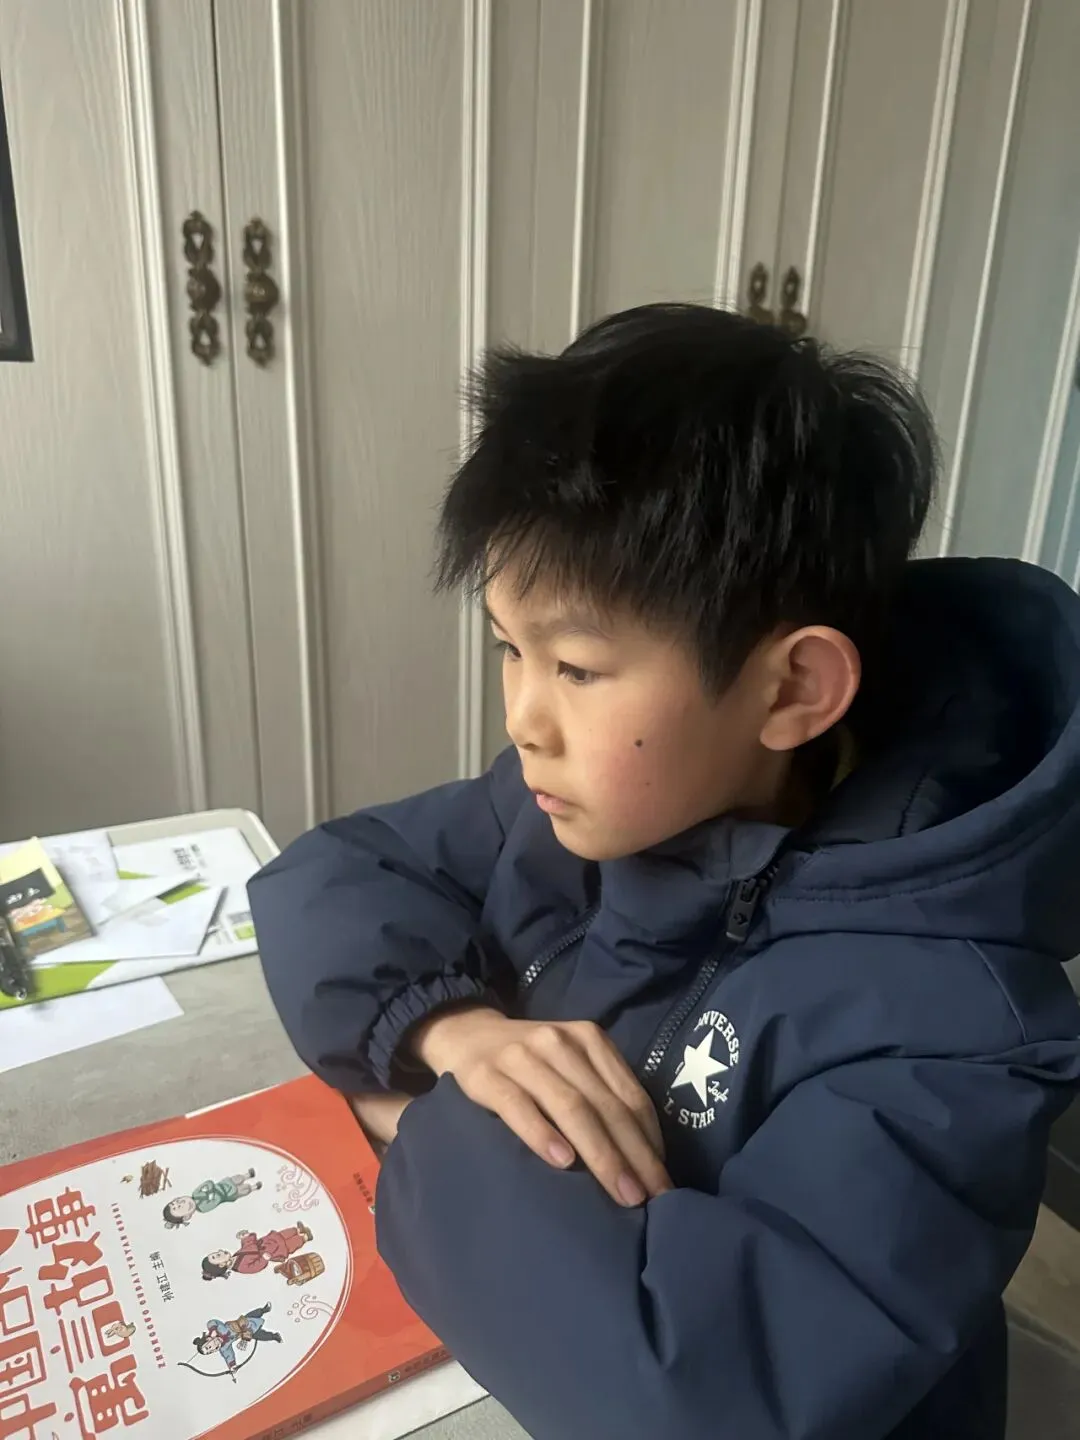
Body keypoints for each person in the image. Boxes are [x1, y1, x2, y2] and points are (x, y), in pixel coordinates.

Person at [249, 303, 1080, 1440]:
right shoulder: (580, 804)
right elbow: (334, 873)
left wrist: (423, 1122)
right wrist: (454, 1032)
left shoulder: (953, 1030)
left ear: (792, 691)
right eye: (510, 648)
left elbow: (699, 1395)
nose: (523, 718)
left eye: (577, 668)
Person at [163, 1169, 261, 1228]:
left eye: (177, 1201)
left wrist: (210, 1188)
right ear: (187, 1216)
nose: (181, 1203)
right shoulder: (203, 1208)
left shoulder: (195, 1193)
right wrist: (212, 1191)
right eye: (179, 1207)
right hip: (227, 1194)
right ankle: (254, 1187)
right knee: (243, 1190)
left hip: (221, 1185)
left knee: (235, 1179)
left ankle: (247, 1175)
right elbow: (216, 1201)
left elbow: (207, 1183)